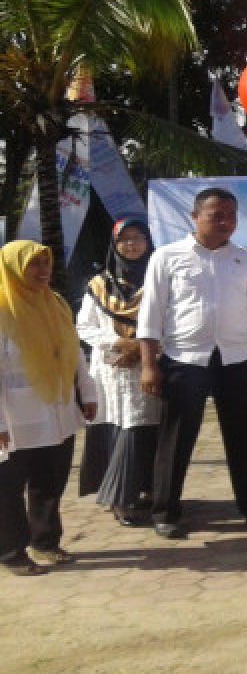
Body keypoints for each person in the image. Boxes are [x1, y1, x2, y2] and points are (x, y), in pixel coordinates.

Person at [137, 187, 247, 539]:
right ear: (195, 217)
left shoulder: (244, 259)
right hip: (184, 359)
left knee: (245, 437)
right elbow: (151, 315)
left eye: (231, 215)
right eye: (216, 215)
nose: (225, 221)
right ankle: (166, 511)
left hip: (237, 359)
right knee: (176, 438)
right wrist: (149, 364)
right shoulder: (167, 257)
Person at [0, 241, 98, 575]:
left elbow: (72, 353)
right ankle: (11, 552)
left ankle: (45, 541)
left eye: (46, 263)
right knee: (8, 486)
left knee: (50, 481)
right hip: (16, 417)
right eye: (34, 264)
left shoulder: (55, 304)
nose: (43, 271)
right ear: (14, 267)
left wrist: (87, 392)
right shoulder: (2, 308)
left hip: (58, 408)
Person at [75, 220, 161, 526]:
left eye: (138, 238)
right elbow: (84, 326)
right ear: (115, 245)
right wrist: (118, 343)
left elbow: (174, 321)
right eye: (125, 240)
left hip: (149, 364)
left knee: (144, 428)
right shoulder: (99, 285)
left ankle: (150, 492)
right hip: (112, 368)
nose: (132, 245)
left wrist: (140, 347)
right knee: (118, 429)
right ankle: (120, 499)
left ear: (148, 242)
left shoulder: (159, 280)